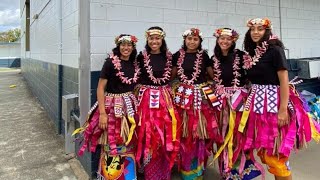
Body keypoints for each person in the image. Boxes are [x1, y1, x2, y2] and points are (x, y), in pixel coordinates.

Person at [242, 17, 320, 180]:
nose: (255, 32)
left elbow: (284, 81)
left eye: (260, 29)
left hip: (274, 103)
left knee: (276, 155)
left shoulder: (275, 50)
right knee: (265, 151)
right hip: (257, 105)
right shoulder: (251, 54)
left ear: (267, 31)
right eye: (252, 29)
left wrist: (283, 110)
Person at [75, 34, 140, 180]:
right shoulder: (110, 63)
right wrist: (103, 114)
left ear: (133, 47)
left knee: (127, 141)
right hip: (111, 106)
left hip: (128, 106)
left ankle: (127, 176)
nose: (126, 48)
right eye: (123, 45)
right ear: (118, 46)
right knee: (112, 140)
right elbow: (100, 88)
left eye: (129, 45)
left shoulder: (134, 64)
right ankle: (110, 176)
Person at [211, 28, 261, 180]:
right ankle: (226, 172)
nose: (224, 41)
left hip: (240, 101)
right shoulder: (214, 58)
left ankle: (240, 173)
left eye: (228, 39)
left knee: (239, 136)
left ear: (233, 41)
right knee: (223, 136)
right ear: (217, 39)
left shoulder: (241, 56)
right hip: (221, 102)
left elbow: (253, 74)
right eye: (222, 38)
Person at [171, 28, 220, 180]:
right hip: (182, 99)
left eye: (195, 39)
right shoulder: (177, 56)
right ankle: (186, 167)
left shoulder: (204, 56)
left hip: (201, 99)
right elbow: (171, 75)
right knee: (184, 132)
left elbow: (213, 75)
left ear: (199, 42)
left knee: (199, 133)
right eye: (189, 39)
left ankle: (198, 168)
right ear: (184, 40)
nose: (192, 42)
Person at [135, 26, 180, 180]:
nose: (154, 41)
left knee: (165, 134)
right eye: (151, 38)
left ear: (162, 39)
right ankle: (149, 171)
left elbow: (171, 76)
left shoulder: (169, 57)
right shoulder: (141, 57)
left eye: (157, 38)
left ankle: (164, 171)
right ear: (147, 40)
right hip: (146, 100)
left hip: (165, 99)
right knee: (147, 133)